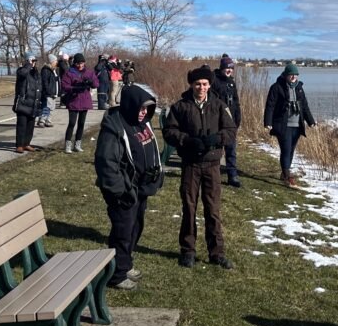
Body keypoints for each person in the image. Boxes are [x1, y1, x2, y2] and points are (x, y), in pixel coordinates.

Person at [162, 65, 237, 270]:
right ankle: (188, 251)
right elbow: (169, 131)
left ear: (210, 85)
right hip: (191, 165)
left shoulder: (219, 106)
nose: (201, 88)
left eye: (204, 84)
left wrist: (217, 138)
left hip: (212, 165)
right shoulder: (180, 107)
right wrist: (186, 140)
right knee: (189, 208)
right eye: (197, 84)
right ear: (191, 85)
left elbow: (231, 131)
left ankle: (216, 253)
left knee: (213, 210)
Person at [93, 84, 164, 291]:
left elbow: (151, 151)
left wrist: (156, 176)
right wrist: (120, 192)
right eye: (140, 108)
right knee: (122, 231)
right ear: (130, 105)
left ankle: (125, 263)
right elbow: (106, 163)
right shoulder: (114, 127)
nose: (143, 113)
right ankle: (116, 274)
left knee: (135, 228)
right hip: (124, 191)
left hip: (141, 188)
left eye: (147, 109)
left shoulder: (143, 124)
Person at [263, 62, 316, 186]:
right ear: (286, 75)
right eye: (291, 74)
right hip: (283, 125)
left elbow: (304, 106)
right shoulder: (276, 87)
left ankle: (284, 172)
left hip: (297, 125)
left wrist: (311, 121)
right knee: (286, 149)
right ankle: (287, 175)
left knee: (291, 150)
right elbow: (270, 105)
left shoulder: (299, 88)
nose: (293, 77)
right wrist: (268, 122)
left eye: (295, 75)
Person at [212, 54, 242, 187]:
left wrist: (238, 117)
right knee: (216, 148)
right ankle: (213, 174)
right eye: (227, 68)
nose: (229, 70)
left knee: (231, 149)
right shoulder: (214, 81)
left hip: (230, 122)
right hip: (217, 121)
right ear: (222, 68)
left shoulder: (231, 82)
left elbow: (236, 101)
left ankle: (232, 175)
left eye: (231, 68)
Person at [60, 52, 98, 153]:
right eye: (78, 63)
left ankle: (77, 144)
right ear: (74, 63)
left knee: (81, 123)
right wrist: (74, 88)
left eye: (82, 63)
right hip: (74, 100)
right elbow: (64, 85)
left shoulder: (89, 72)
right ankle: (68, 144)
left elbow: (96, 84)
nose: (80, 65)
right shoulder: (69, 72)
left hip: (85, 100)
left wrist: (91, 82)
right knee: (72, 123)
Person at [13, 53, 41, 153]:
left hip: (33, 103)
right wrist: (28, 65)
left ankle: (26, 143)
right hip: (23, 102)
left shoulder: (36, 73)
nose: (33, 63)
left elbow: (39, 86)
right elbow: (22, 74)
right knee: (22, 125)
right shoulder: (21, 70)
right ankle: (19, 145)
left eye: (34, 61)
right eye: (32, 61)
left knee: (30, 126)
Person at [37, 55, 58, 128]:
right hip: (48, 93)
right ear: (52, 61)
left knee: (51, 108)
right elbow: (45, 82)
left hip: (53, 92)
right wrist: (48, 91)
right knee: (46, 107)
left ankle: (48, 121)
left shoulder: (53, 70)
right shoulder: (46, 70)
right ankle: (42, 120)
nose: (56, 62)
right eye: (55, 61)